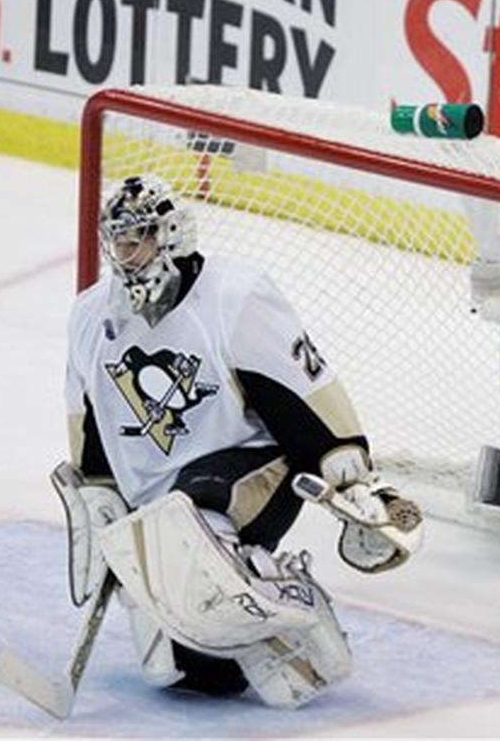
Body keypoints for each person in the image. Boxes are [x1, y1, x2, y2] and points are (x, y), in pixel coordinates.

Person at [62, 175, 423, 706]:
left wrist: (354, 481)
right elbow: (88, 434)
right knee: (190, 675)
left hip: (244, 475)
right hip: (160, 509)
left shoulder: (235, 297)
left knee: (192, 507)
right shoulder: (90, 316)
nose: (126, 254)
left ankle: (299, 603)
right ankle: (259, 605)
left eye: (138, 238)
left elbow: (304, 395)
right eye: (117, 240)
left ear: (171, 236)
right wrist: (104, 516)